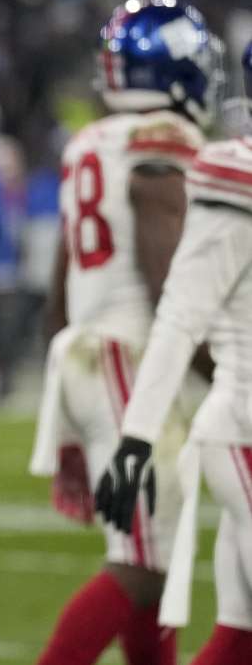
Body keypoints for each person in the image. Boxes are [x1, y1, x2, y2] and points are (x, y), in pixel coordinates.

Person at [30, 0, 221, 665]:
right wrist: (219, 369)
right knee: (143, 563)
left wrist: (69, 399)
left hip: (89, 352)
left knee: (154, 561)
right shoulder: (162, 138)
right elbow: (165, 269)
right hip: (129, 355)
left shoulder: (89, 141)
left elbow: (59, 285)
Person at [97, 39, 252, 665]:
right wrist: (137, 436)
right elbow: (182, 313)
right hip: (244, 430)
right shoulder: (235, 173)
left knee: (240, 639)